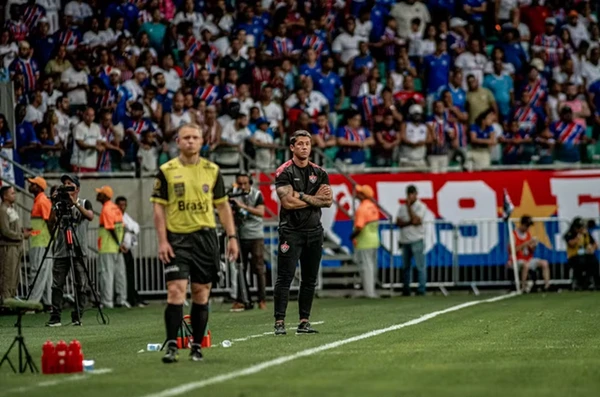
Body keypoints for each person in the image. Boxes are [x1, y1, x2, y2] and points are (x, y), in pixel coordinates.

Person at [151, 123, 238, 363]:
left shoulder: (212, 170)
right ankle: (171, 346)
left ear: (202, 142)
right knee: (175, 291)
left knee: (201, 293)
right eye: (186, 137)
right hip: (177, 239)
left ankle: (196, 346)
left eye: (195, 137)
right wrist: (162, 241)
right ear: (177, 142)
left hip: (205, 238)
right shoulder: (166, 170)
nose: (190, 141)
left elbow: (222, 206)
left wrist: (232, 237)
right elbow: (158, 208)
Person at [273, 130, 332, 335]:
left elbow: (328, 201)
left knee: (309, 279)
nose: (304, 147)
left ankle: (304, 321)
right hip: (291, 231)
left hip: (314, 231)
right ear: (292, 147)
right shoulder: (284, 172)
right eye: (300, 144)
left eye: (307, 143)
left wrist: (301, 195)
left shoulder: (320, 172)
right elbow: (287, 203)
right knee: (285, 277)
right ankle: (279, 322)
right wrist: (312, 198)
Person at [47, 174, 94, 327]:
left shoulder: (85, 202)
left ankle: (78, 315)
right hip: (61, 250)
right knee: (57, 284)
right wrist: (54, 204)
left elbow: (90, 216)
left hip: (79, 249)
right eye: (64, 184)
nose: (67, 187)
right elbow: (51, 224)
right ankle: (55, 316)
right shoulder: (59, 205)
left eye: (70, 184)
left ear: (77, 188)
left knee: (81, 283)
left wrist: (75, 204)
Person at [230, 172, 267, 312]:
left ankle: (262, 299)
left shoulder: (256, 194)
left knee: (258, 267)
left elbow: (261, 212)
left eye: (246, 183)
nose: (243, 186)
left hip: (255, 235)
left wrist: (243, 207)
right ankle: (243, 299)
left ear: (250, 183)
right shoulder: (233, 194)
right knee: (240, 267)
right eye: (240, 183)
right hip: (240, 235)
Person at [96, 185, 127, 309]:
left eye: (100, 193)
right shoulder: (116, 208)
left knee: (106, 274)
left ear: (105, 196)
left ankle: (107, 301)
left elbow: (110, 228)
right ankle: (121, 299)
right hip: (117, 248)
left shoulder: (106, 209)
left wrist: (118, 243)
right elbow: (122, 227)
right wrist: (120, 244)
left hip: (107, 247)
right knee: (120, 274)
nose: (97, 195)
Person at [115, 196, 147, 307]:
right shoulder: (116, 216)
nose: (122, 207)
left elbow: (135, 227)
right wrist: (129, 229)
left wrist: (130, 229)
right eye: (120, 205)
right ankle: (125, 297)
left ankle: (132, 296)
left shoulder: (126, 216)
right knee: (122, 275)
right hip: (120, 249)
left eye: (124, 205)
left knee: (130, 274)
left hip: (128, 249)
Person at [27, 176, 54, 306]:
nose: (30, 186)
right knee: (46, 273)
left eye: (32, 184)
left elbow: (49, 222)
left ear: (38, 187)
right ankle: (48, 302)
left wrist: (51, 239)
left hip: (41, 242)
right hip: (42, 241)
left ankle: (32, 303)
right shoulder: (39, 200)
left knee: (37, 272)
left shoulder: (42, 201)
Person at [396, 185, 427, 296]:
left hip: (417, 239)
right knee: (405, 267)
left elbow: (416, 220)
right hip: (405, 241)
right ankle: (406, 289)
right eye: (408, 194)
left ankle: (421, 289)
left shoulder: (421, 206)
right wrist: (409, 222)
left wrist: (409, 208)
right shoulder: (401, 207)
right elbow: (398, 222)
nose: (410, 196)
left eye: (412, 194)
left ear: (416, 194)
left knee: (420, 266)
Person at [0, 186, 29, 303]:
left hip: (16, 246)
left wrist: (22, 231)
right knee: (7, 274)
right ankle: (5, 301)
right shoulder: (2, 210)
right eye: (12, 193)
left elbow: (12, 228)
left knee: (14, 275)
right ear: (5, 196)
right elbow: (5, 231)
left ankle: (10, 300)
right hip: (8, 247)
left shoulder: (11, 209)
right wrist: (21, 236)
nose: (15, 195)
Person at [351, 185, 380, 299]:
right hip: (374, 240)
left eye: (360, 193)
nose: (357, 194)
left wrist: (352, 236)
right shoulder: (373, 206)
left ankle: (369, 292)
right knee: (372, 267)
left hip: (364, 241)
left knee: (366, 268)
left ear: (364, 195)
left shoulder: (362, 208)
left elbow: (359, 227)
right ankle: (372, 290)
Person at [509, 215, 550, 293]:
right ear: (522, 224)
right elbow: (512, 250)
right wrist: (526, 243)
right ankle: (523, 287)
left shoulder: (528, 234)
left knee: (544, 263)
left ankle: (547, 286)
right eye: (526, 226)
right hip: (517, 260)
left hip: (528, 259)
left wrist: (533, 246)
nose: (528, 228)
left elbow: (530, 251)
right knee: (526, 265)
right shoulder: (514, 234)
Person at [564, 217, 599, 291]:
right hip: (573, 257)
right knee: (580, 262)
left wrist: (591, 248)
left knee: (594, 261)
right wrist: (578, 237)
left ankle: (595, 283)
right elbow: (571, 244)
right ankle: (581, 283)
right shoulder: (570, 234)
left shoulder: (586, 234)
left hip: (585, 255)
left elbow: (595, 244)